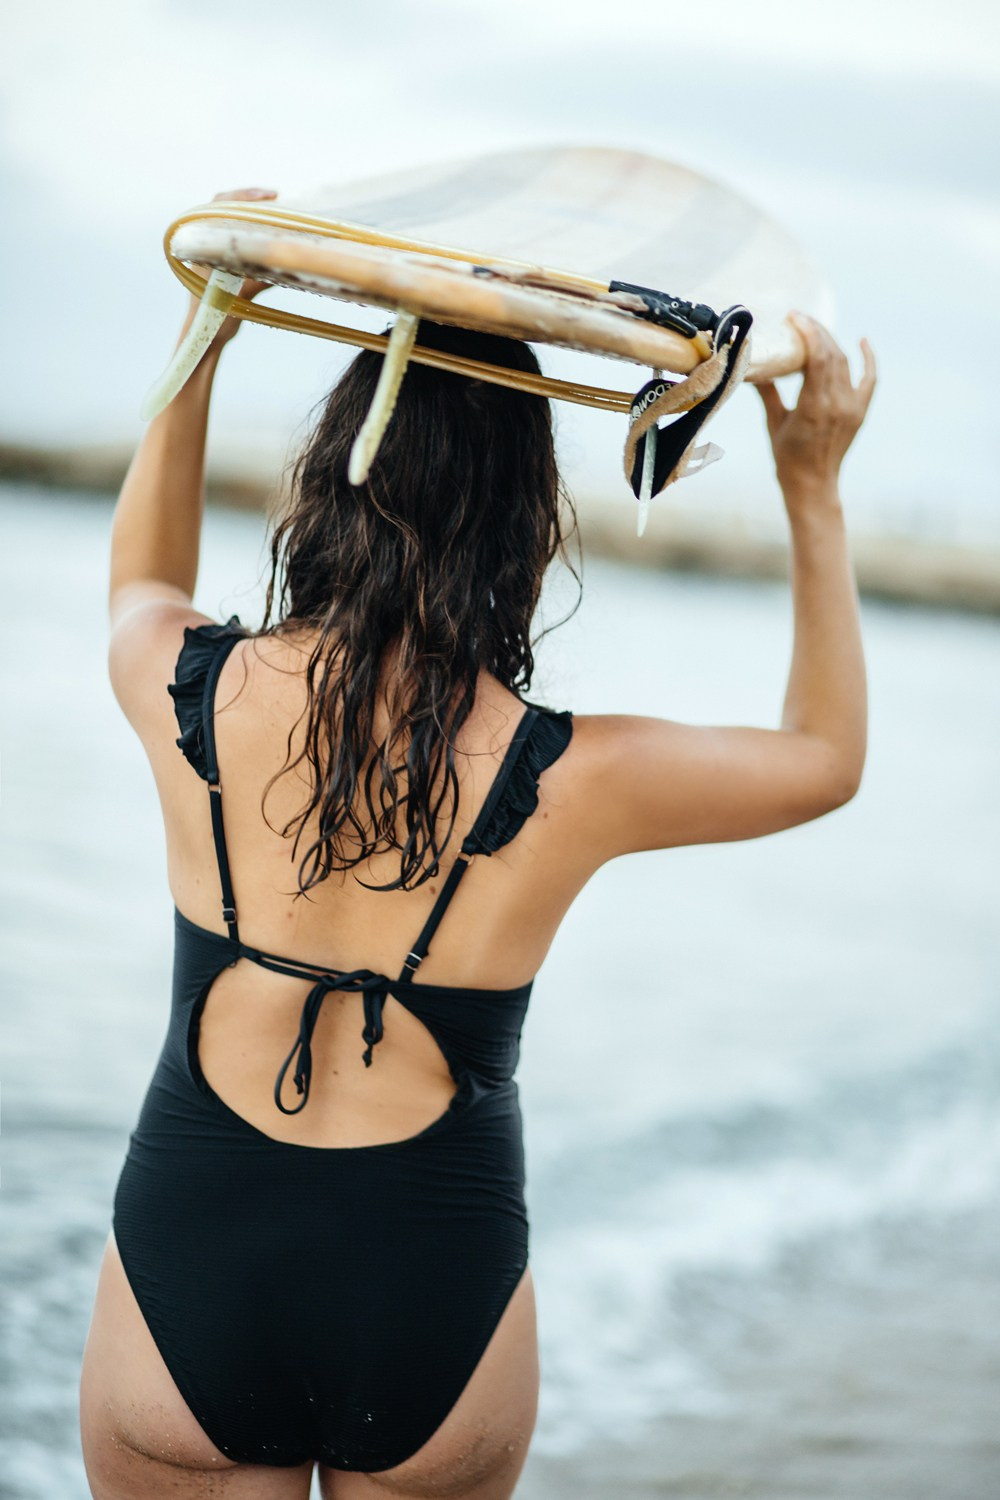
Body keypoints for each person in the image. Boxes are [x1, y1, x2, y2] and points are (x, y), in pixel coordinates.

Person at [79, 187, 877, 1500]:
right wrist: (813, 489)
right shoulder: (575, 774)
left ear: (336, 473)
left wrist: (207, 323)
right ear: (525, 521)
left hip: (193, 1268)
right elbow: (824, 760)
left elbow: (138, 580)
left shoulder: (189, 690)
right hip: (429, 1292)